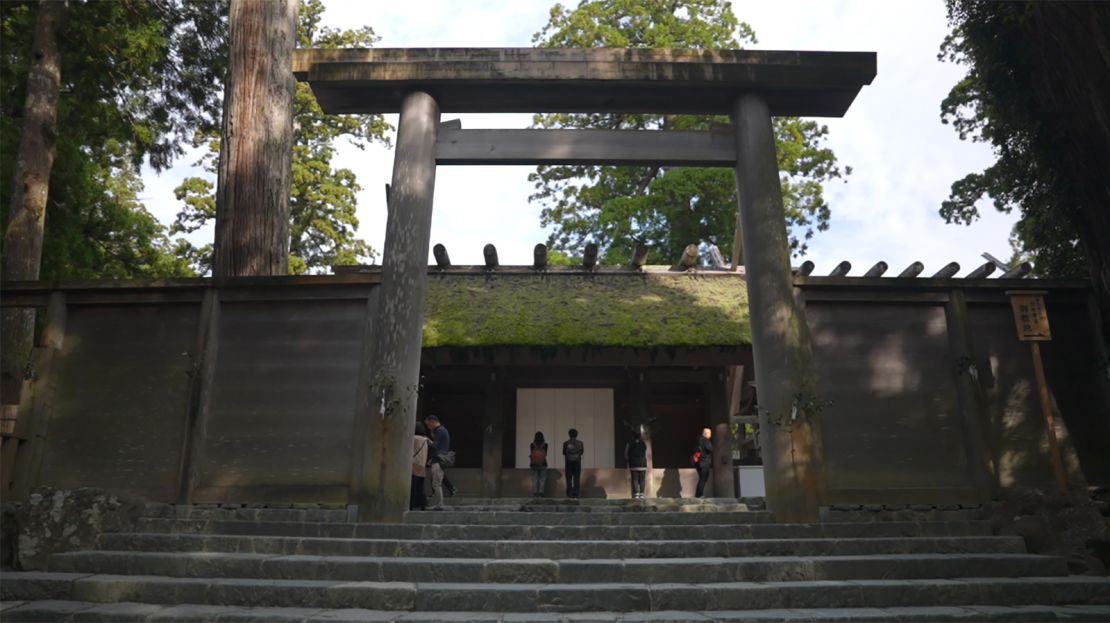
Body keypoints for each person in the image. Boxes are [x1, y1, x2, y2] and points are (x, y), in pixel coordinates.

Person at [424, 414, 456, 510]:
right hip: (439, 459)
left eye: (428, 425)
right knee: (436, 482)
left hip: (438, 460)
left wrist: (428, 441)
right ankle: (438, 503)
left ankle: (439, 504)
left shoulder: (439, 431)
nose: (428, 427)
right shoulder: (443, 430)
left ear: (433, 421)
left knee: (436, 483)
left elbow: (435, 447)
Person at [411, 421, 430, 511]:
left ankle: (411, 505)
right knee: (420, 487)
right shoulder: (425, 440)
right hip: (422, 466)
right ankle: (423, 505)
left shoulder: (414, 439)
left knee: (413, 487)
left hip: (414, 465)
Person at [624, 430, 648, 499]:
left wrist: (628, 461)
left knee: (635, 479)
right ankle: (642, 494)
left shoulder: (629, 443)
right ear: (640, 436)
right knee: (642, 479)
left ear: (633, 436)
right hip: (643, 463)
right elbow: (645, 451)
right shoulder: (643, 443)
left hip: (634, 463)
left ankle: (636, 494)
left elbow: (626, 453)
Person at [562, 428, 584, 498]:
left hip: (568, 462)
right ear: (576, 435)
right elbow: (581, 452)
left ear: (569, 435)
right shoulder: (580, 443)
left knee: (569, 478)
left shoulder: (565, 443)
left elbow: (564, 453)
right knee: (576, 478)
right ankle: (576, 493)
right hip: (577, 462)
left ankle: (569, 493)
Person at [694, 427, 714, 498]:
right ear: (706, 434)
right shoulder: (706, 441)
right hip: (704, 463)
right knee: (703, 479)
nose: (711, 435)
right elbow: (710, 449)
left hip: (698, 463)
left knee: (701, 479)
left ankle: (698, 495)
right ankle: (700, 495)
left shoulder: (698, 440)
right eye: (710, 433)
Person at [529, 431, 549, 497]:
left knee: (535, 478)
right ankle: (541, 492)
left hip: (533, 464)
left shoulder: (532, 445)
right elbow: (545, 454)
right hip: (543, 464)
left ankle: (535, 493)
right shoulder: (545, 445)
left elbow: (532, 454)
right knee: (542, 479)